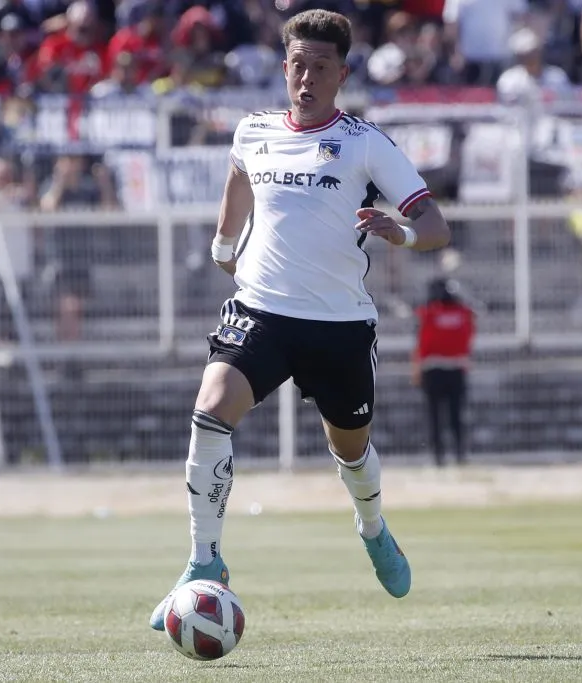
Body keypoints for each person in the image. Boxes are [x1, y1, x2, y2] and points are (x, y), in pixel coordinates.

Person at [149, 8, 451, 631]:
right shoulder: (254, 131)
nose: (306, 79)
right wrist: (224, 244)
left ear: (341, 74)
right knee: (210, 411)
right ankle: (204, 563)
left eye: (319, 68)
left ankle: (372, 529)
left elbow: (436, 226)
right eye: (296, 67)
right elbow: (239, 177)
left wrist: (401, 233)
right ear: (283, 68)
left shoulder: (366, 142)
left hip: (339, 326)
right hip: (261, 312)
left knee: (351, 450)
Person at [412, 278, 474, 467]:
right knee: (456, 414)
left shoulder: (428, 314)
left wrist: (416, 369)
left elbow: (421, 344)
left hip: (432, 370)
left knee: (434, 415)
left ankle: (438, 456)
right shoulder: (463, 313)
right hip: (456, 369)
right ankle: (460, 454)